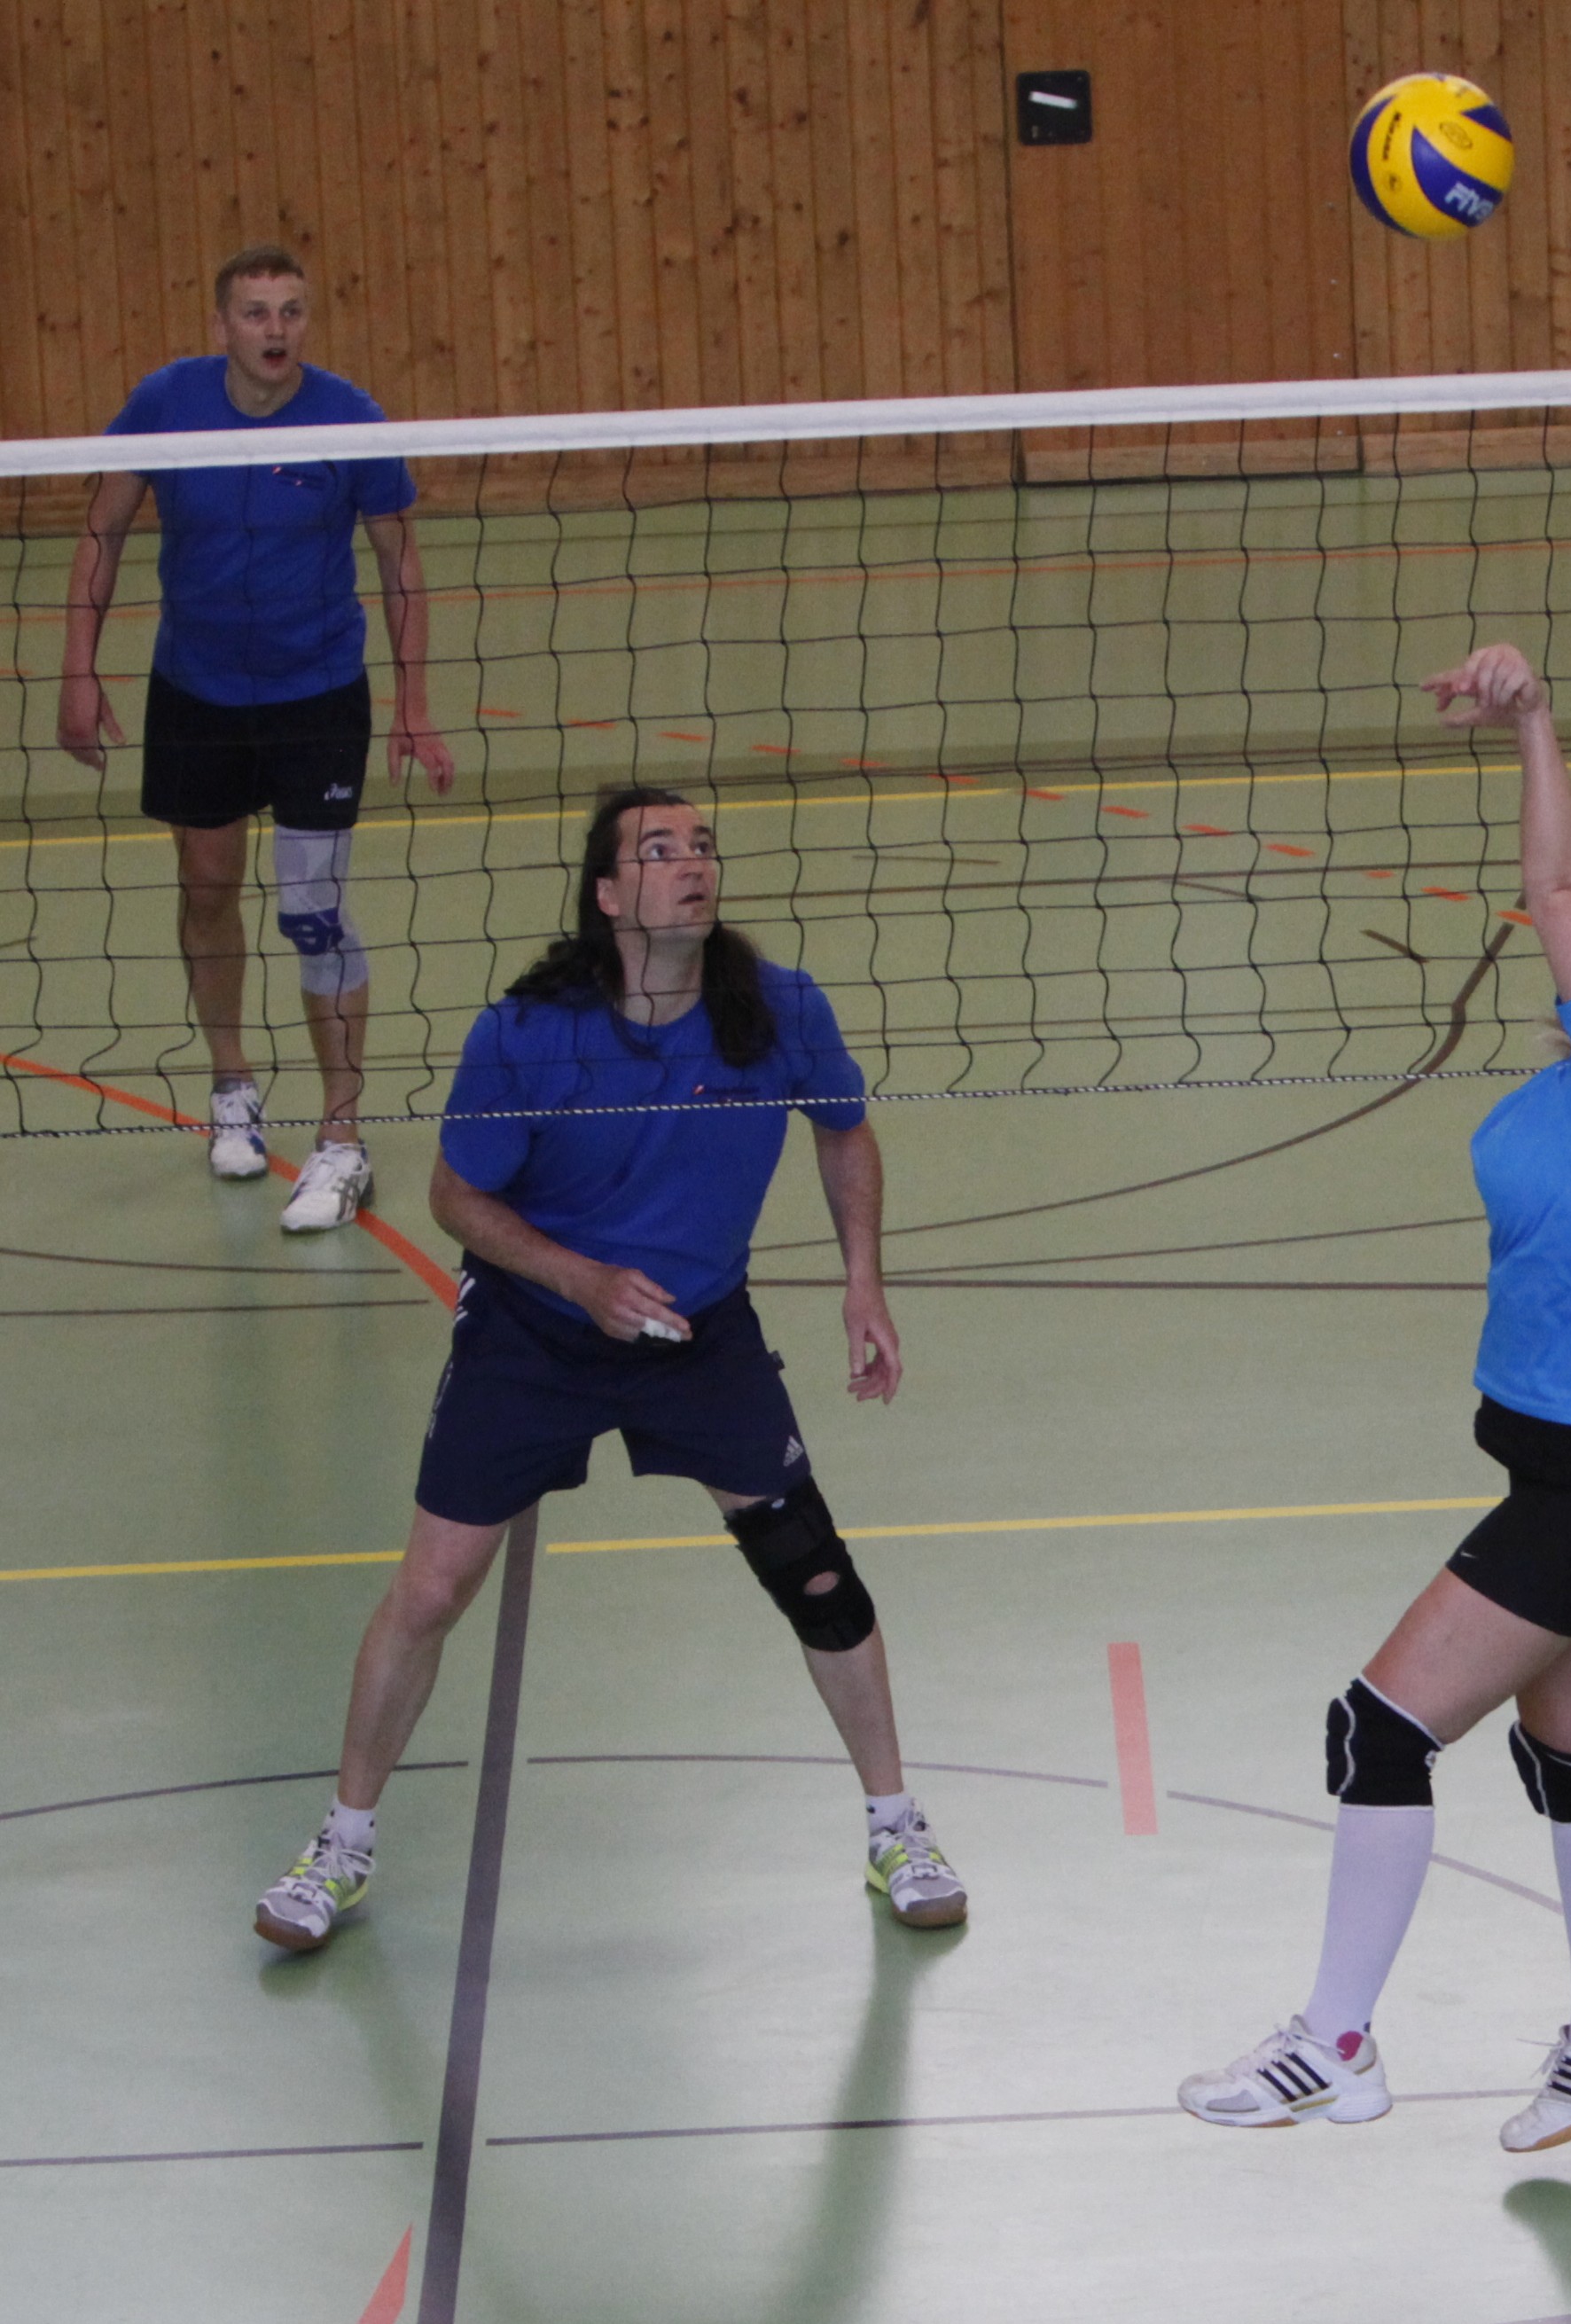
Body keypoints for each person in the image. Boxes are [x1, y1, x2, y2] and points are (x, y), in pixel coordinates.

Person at [1179, 643, 1571, 2151]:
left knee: (1377, 1731)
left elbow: (1562, 881)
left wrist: (1533, 721)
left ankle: (1335, 2044)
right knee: (1570, 1762)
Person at [254, 786, 964, 1952]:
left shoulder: (777, 1006)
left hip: (699, 1332)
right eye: (659, 850)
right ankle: (341, 1841)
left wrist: (862, 1281)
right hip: (535, 1333)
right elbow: (454, 1197)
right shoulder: (528, 1032)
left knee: (814, 1574)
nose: (692, 864)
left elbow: (843, 1126)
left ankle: (897, 1827)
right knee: (431, 1590)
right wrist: (580, 1279)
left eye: (703, 846)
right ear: (607, 893)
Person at [57, 242, 453, 1232]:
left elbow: (401, 565)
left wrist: (413, 701)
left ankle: (342, 1135)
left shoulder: (350, 418)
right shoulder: (167, 403)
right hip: (196, 693)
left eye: (291, 311)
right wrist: (77, 670)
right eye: (256, 313)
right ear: (222, 325)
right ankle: (232, 1086)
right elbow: (102, 530)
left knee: (315, 909)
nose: (276, 330)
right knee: (206, 888)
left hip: (317, 696)